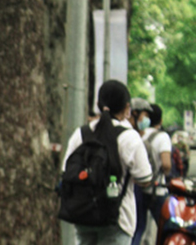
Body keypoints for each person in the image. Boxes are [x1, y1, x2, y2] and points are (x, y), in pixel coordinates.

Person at [62, 80, 152, 245]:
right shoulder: (129, 137)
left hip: (83, 215)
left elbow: (66, 170)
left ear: (98, 104)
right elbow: (145, 178)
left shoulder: (81, 134)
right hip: (118, 219)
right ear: (126, 108)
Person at [131, 103, 172, 245]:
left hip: (139, 188)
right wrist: (165, 173)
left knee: (138, 228)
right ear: (160, 120)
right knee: (167, 226)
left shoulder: (139, 135)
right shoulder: (163, 137)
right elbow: (166, 164)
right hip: (157, 189)